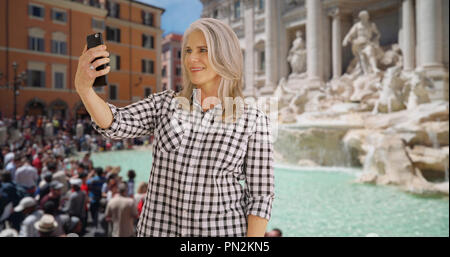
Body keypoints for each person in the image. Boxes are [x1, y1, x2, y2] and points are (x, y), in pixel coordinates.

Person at [74, 18, 274, 237]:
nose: (191, 58)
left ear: (225, 54)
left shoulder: (254, 120)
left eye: (203, 50)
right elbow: (116, 123)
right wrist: (85, 90)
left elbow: (261, 195)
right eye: (188, 50)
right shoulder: (164, 104)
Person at [342, 10, 382, 75]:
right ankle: (365, 73)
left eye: (365, 16)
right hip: (358, 43)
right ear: (360, 17)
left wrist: (375, 40)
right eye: (362, 17)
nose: (364, 18)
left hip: (367, 42)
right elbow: (350, 34)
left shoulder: (371, 25)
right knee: (362, 57)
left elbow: (378, 34)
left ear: (368, 17)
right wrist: (345, 40)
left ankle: (374, 68)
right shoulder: (357, 25)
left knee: (370, 53)